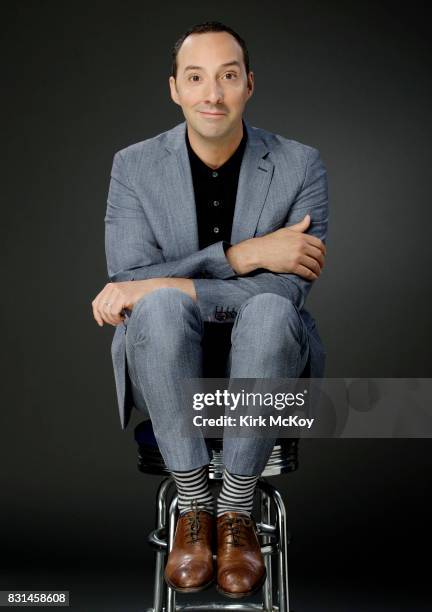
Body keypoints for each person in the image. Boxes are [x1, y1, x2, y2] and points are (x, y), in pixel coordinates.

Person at [91, 21, 328, 599]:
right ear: (175, 89)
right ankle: (194, 506)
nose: (212, 94)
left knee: (271, 310)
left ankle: (236, 509)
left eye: (227, 76)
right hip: (165, 363)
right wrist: (242, 256)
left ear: (249, 83)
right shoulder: (134, 166)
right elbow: (129, 284)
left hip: (271, 364)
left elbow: (289, 292)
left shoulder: (300, 164)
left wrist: (159, 285)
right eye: (196, 78)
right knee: (163, 310)